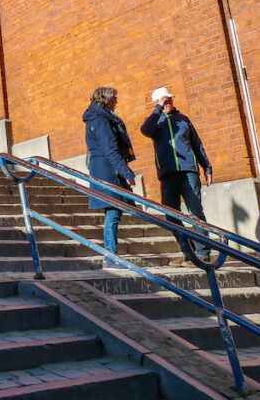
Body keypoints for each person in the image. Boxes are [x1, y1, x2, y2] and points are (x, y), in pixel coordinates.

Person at [141, 87, 213, 264]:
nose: (168, 103)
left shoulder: (183, 120)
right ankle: (189, 251)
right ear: (157, 102)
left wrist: (207, 167)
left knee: (195, 211)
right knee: (171, 216)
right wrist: (159, 109)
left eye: (170, 100)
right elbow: (145, 130)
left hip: (188, 171)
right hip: (167, 174)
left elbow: (197, 145)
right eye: (165, 101)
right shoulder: (155, 123)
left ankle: (203, 253)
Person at [83, 86, 136, 267]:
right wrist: (127, 173)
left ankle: (112, 254)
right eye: (114, 98)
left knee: (114, 211)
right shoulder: (101, 121)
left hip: (104, 169)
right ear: (105, 100)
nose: (116, 102)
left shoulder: (98, 118)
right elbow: (110, 149)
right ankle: (111, 256)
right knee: (113, 212)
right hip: (107, 171)